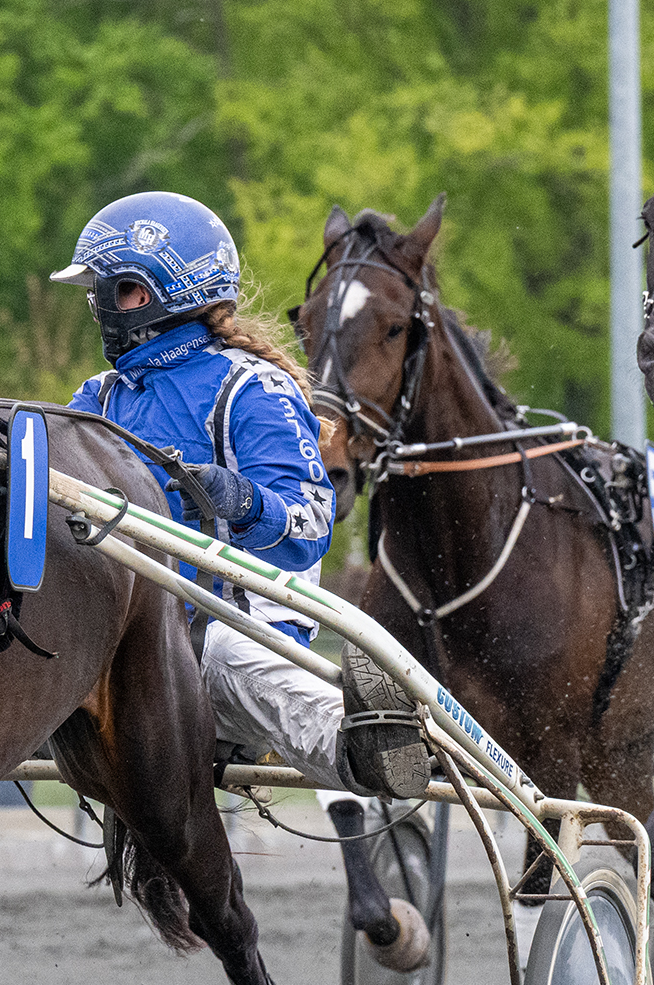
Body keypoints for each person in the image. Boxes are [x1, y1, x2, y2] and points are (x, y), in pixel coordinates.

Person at [52, 192, 430, 806]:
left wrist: (242, 500)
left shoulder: (251, 386)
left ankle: (366, 747)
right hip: (125, 623)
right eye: (97, 291)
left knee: (227, 655)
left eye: (118, 290)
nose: (101, 307)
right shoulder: (97, 395)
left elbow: (311, 523)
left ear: (173, 289)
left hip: (238, 621)